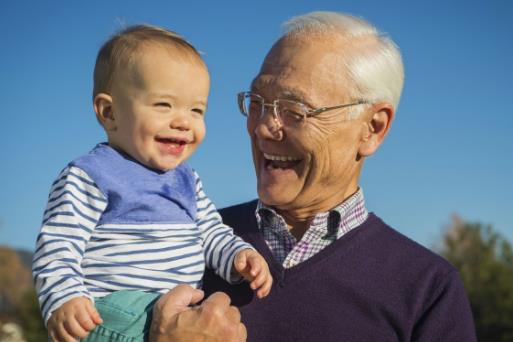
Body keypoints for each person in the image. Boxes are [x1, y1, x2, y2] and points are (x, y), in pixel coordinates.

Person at [190, 11, 475, 341]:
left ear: (372, 128)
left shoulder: (428, 289)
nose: (265, 127)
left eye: (295, 111)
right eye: (258, 103)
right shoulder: (179, 239)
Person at [32, 24, 271, 342]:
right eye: (163, 105)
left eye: (197, 110)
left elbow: (211, 234)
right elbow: (58, 245)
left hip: (174, 315)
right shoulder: (92, 175)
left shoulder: (187, 180)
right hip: (112, 314)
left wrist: (239, 256)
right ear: (109, 112)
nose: (183, 121)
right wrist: (64, 298)